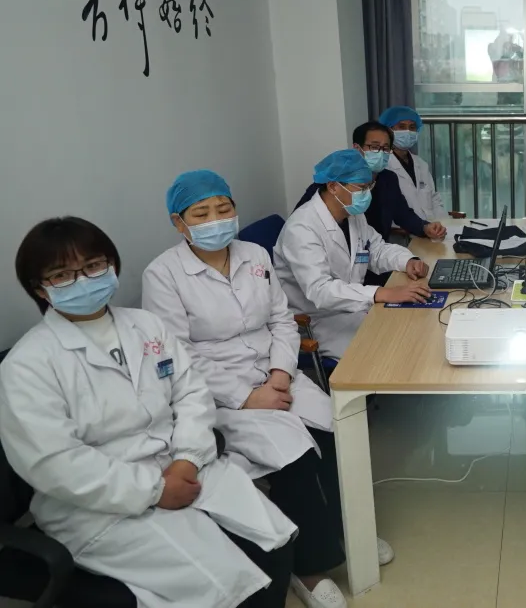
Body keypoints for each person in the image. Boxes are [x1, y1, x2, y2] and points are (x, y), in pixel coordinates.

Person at [1, 217, 297, 608]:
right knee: (227, 584)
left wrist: (187, 460)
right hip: (102, 507)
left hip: (184, 466)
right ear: (40, 289)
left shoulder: (146, 326)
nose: (83, 281)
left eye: (93, 266)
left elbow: (192, 394)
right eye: (62, 275)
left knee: (272, 540)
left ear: (112, 266)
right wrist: (154, 489)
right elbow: (55, 463)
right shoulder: (28, 364)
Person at [142, 170, 393, 608]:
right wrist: (246, 396)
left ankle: (351, 529)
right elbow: (178, 355)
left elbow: (282, 320)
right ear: (178, 223)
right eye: (201, 213)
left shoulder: (254, 254)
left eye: (223, 208)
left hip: (277, 371)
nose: (216, 219)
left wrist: (279, 373)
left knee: (341, 431)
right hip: (220, 393)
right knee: (296, 457)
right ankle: (310, 567)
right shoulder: (162, 274)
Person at [275, 150, 432, 360]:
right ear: (333, 186)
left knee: (406, 330)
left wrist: (407, 261)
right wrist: (380, 293)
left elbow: (376, 249)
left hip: (351, 309)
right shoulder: (302, 228)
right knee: (387, 352)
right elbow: (320, 290)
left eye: (369, 186)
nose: (367, 194)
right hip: (317, 320)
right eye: (361, 188)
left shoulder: (351, 214)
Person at [294, 121, 447, 243]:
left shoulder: (388, 179)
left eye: (385, 148)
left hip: (372, 255)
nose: (380, 153)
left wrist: (425, 227)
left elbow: (403, 214)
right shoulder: (333, 183)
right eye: (374, 147)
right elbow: (301, 228)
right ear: (357, 148)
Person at [381, 106, 449, 222]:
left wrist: (444, 224)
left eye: (412, 127)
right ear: (389, 130)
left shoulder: (421, 164)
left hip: (431, 227)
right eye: (401, 126)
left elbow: (434, 199)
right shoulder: (384, 164)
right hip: (401, 230)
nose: (408, 131)